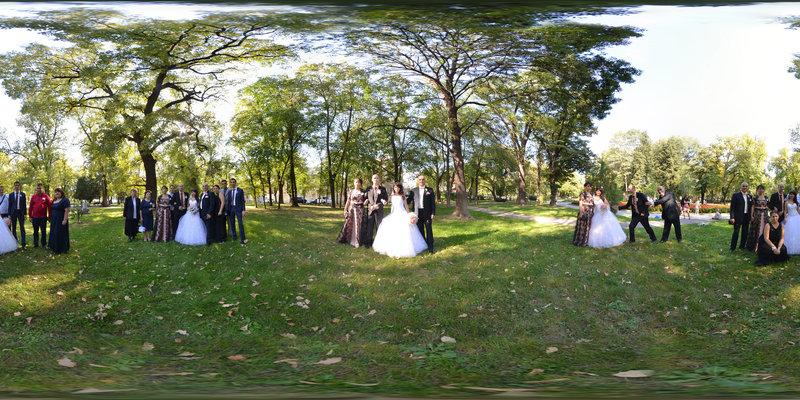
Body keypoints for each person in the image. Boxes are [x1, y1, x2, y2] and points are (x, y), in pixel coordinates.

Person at [372, 182, 428, 257]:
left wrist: (409, 214)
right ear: (393, 188)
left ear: (400, 188)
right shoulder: (391, 196)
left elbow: (406, 206)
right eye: (395, 187)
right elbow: (386, 203)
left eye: (398, 187)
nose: (397, 189)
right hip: (394, 214)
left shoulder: (402, 196)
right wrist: (383, 201)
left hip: (402, 213)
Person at [408, 175, 436, 253]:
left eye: (423, 179)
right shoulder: (413, 190)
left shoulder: (430, 190)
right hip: (417, 214)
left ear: (425, 180)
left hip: (427, 213)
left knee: (428, 229)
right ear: (418, 181)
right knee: (420, 230)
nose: (421, 181)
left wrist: (433, 213)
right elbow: (408, 200)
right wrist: (400, 199)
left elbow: (433, 203)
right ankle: (423, 245)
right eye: (420, 179)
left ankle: (430, 247)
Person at [338, 178, 367, 248]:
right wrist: (345, 209)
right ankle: (348, 239)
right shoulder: (351, 192)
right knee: (349, 223)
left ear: (361, 184)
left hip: (360, 210)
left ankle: (357, 241)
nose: (357, 183)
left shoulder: (363, 191)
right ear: (354, 183)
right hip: (351, 209)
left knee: (358, 224)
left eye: (359, 182)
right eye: (356, 182)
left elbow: (366, 199)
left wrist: (366, 201)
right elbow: (348, 201)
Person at [364, 174, 388, 248]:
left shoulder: (383, 189)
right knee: (369, 227)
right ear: (372, 179)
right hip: (370, 210)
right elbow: (365, 198)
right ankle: (369, 242)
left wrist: (382, 202)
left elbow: (385, 199)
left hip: (378, 210)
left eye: (377, 178)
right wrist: (370, 205)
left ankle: (378, 243)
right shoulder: (368, 189)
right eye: (374, 178)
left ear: (379, 179)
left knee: (379, 226)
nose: (376, 179)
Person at [729, 182, 752, 252]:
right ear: (741, 187)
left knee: (745, 233)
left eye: (746, 186)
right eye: (743, 186)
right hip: (738, 217)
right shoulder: (735, 195)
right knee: (736, 232)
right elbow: (732, 208)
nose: (745, 187)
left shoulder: (749, 196)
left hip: (746, 217)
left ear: (748, 187)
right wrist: (732, 217)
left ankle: (742, 246)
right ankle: (732, 247)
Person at [747, 184, 769, 252]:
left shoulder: (766, 197)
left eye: (762, 189)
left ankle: (764, 245)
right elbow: (752, 207)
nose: (761, 190)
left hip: (764, 215)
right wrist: (751, 216)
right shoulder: (755, 197)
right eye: (759, 189)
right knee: (756, 229)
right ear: (757, 190)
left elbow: (768, 205)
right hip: (757, 214)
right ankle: (755, 245)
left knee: (764, 229)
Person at [48, 187, 70, 254]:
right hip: (54, 220)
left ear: (61, 193)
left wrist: (65, 220)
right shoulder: (54, 201)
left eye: (58, 191)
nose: (57, 193)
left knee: (60, 234)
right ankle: (54, 246)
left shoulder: (65, 200)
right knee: (54, 233)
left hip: (61, 220)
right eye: (55, 192)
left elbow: (67, 210)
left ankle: (61, 248)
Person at [28, 183, 51, 248]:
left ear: (42, 188)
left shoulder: (46, 196)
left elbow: (50, 207)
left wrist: (49, 216)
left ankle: (44, 243)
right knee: (35, 231)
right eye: (38, 188)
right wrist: (30, 216)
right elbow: (30, 207)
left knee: (43, 231)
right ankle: (36, 243)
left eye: (40, 188)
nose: (39, 189)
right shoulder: (34, 196)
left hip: (43, 217)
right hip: (35, 217)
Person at [572, 182, 594, 246]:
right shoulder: (583, 194)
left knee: (587, 227)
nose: (589, 187)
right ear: (585, 187)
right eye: (588, 186)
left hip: (590, 212)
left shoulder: (591, 195)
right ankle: (580, 241)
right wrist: (581, 213)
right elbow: (580, 203)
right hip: (584, 211)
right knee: (582, 227)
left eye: (590, 186)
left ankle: (585, 241)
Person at [226, 178, 247, 244]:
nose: (232, 183)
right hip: (231, 209)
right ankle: (234, 236)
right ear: (230, 183)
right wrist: (227, 210)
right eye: (231, 182)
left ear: (235, 183)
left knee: (240, 223)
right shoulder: (229, 191)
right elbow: (228, 201)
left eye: (233, 182)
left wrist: (243, 210)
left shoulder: (240, 190)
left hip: (238, 209)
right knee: (232, 223)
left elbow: (242, 201)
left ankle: (243, 238)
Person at [8, 181, 26, 249]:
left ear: (19, 186)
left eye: (18, 185)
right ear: (14, 186)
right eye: (15, 185)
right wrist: (9, 214)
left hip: (20, 213)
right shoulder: (11, 195)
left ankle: (23, 244)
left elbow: (24, 205)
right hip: (13, 213)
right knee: (14, 228)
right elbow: (9, 205)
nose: (17, 186)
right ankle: (15, 243)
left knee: (22, 228)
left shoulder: (23, 194)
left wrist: (25, 214)